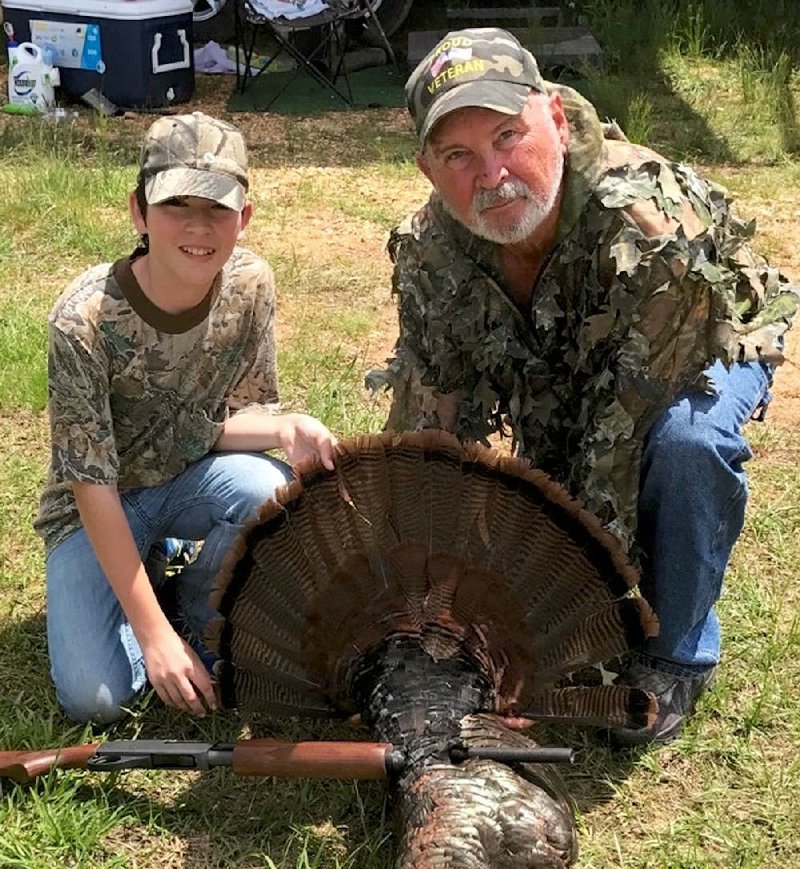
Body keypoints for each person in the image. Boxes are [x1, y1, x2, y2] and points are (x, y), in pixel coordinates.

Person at [366, 27, 798, 746]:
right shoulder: (430, 250)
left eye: (508, 137)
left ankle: (676, 654)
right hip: (576, 351)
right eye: (459, 156)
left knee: (688, 443)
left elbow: (615, 444)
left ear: (557, 122)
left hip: (703, 338)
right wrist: (411, 599)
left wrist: (565, 654)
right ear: (426, 170)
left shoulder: (646, 222)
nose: (493, 173)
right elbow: (426, 424)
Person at [35, 111, 338, 725]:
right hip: (97, 508)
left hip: (191, 476)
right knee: (98, 700)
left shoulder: (251, 284)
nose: (200, 228)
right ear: (140, 212)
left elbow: (218, 422)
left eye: (219, 209)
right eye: (178, 206)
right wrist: (152, 637)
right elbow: (91, 485)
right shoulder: (83, 320)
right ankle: (154, 602)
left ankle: (199, 613)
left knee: (270, 489)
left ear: (244, 218)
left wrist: (285, 427)